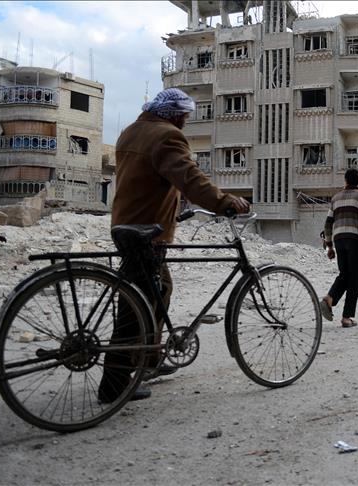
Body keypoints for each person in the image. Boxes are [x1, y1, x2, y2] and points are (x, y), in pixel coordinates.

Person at [99, 88, 250, 403]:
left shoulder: (132, 131)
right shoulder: (166, 136)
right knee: (136, 305)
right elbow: (190, 179)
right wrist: (225, 202)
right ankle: (114, 384)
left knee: (160, 290)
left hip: (125, 223)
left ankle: (150, 358)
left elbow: (147, 179)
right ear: (174, 114)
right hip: (146, 231)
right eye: (185, 115)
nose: (186, 121)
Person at [320, 168, 358, 328]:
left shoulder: (335, 198)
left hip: (339, 239)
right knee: (354, 279)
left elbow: (328, 224)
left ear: (345, 180)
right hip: (354, 239)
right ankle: (346, 317)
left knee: (344, 274)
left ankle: (329, 299)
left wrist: (330, 246)